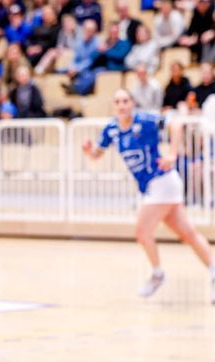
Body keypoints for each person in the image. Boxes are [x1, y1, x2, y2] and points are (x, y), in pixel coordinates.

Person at [82, 89, 215, 301]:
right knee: (188, 234)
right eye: (117, 101)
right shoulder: (111, 129)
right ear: (113, 106)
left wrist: (172, 154)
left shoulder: (144, 120)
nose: (122, 105)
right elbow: (97, 154)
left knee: (142, 232)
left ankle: (157, 274)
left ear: (132, 103)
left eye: (125, 101)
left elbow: (176, 124)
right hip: (156, 186)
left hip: (161, 181)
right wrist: (89, 151)